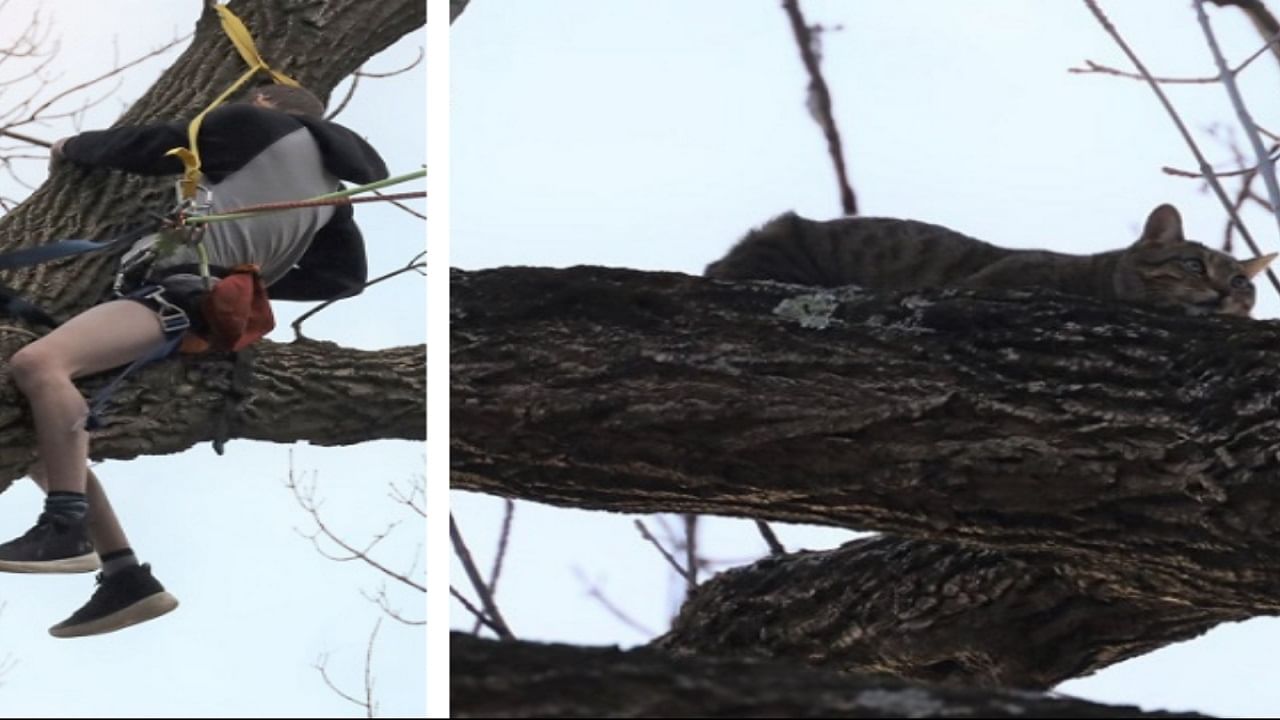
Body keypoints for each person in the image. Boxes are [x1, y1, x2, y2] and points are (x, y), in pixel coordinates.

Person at [0, 84, 389, 638]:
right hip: (195, 309)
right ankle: (125, 575)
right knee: (46, 432)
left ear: (263, 101)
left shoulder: (257, 127)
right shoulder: (332, 195)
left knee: (39, 366)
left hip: (171, 302)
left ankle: (66, 525)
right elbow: (344, 278)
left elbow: (159, 142)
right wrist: (250, 277)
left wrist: (73, 146)